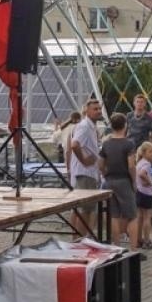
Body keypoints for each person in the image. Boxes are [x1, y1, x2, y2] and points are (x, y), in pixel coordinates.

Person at [98, 113, 140, 248]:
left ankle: (116, 246)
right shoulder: (129, 144)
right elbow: (131, 166)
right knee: (132, 215)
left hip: (109, 181)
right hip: (124, 180)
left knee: (114, 215)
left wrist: (105, 174)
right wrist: (134, 181)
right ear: (125, 125)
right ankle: (133, 248)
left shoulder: (106, 144)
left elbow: (100, 164)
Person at [66, 99, 103, 235]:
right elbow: (74, 145)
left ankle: (77, 239)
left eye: (99, 109)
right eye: (95, 109)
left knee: (79, 208)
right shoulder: (85, 127)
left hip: (85, 172)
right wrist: (84, 160)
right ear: (87, 111)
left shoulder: (89, 127)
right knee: (85, 210)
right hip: (85, 173)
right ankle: (81, 239)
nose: (98, 111)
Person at [133, 141, 152, 250]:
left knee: (139, 216)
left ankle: (138, 239)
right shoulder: (147, 164)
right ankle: (147, 240)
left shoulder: (139, 162)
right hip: (146, 192)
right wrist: (149, 181)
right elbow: (141, 174)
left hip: (139, 191)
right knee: (147, 217)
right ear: (143, 153)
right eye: (150, 152)